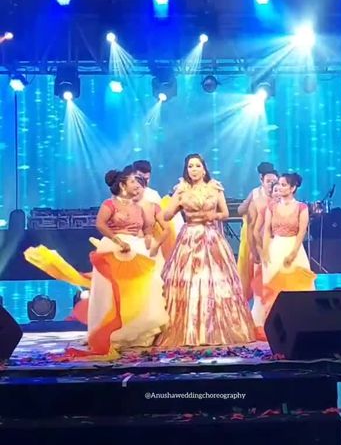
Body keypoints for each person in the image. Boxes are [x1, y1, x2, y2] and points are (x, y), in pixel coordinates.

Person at [24, 168, 169, 357]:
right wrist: (118, 241)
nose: (137, 185)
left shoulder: (139, 207)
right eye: (133, 182)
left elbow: (146, 229)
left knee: (139, 292)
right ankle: (109, 334)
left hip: (136, 249)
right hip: (113, 248)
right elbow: (100, 224)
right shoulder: (109, 204)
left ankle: (137, 335)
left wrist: (149, 240)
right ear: (123, 185)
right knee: (108, 294)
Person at [155, 153, 256, 347]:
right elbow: (166, 216)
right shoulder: (182, 190)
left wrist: (214, 216)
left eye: (197, 166)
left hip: (211, 237)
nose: (193, 170)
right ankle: (189, 330)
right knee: (189, 282)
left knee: (215, 282)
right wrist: (173, 202)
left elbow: (225, 213)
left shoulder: (215, 188)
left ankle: (216, 329)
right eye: (190, 166)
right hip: (189, 239)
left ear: (204, 169)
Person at [259, 173, 316, 318]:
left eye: (283, 185)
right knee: (274, 286)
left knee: (296, 287)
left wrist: (293, 253)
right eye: (279, 184)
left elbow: (302, 232)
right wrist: (265, 251)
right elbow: (267, 231)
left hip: (293, 248)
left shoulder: (301, 207)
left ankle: (300, 318)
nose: (279, 187)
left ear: (293, 188)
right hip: (275, 248)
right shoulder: (272, 207)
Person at [237, 162, 278, 339]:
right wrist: (249, 209)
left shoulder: (278, 196)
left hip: (272, 241)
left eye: (274, 181)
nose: (271, 184)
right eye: (268, 181)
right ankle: (255, 316)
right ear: (261, 179)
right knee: (254, 275)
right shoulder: (255, 194)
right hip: (254, 237)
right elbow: (241, 211)